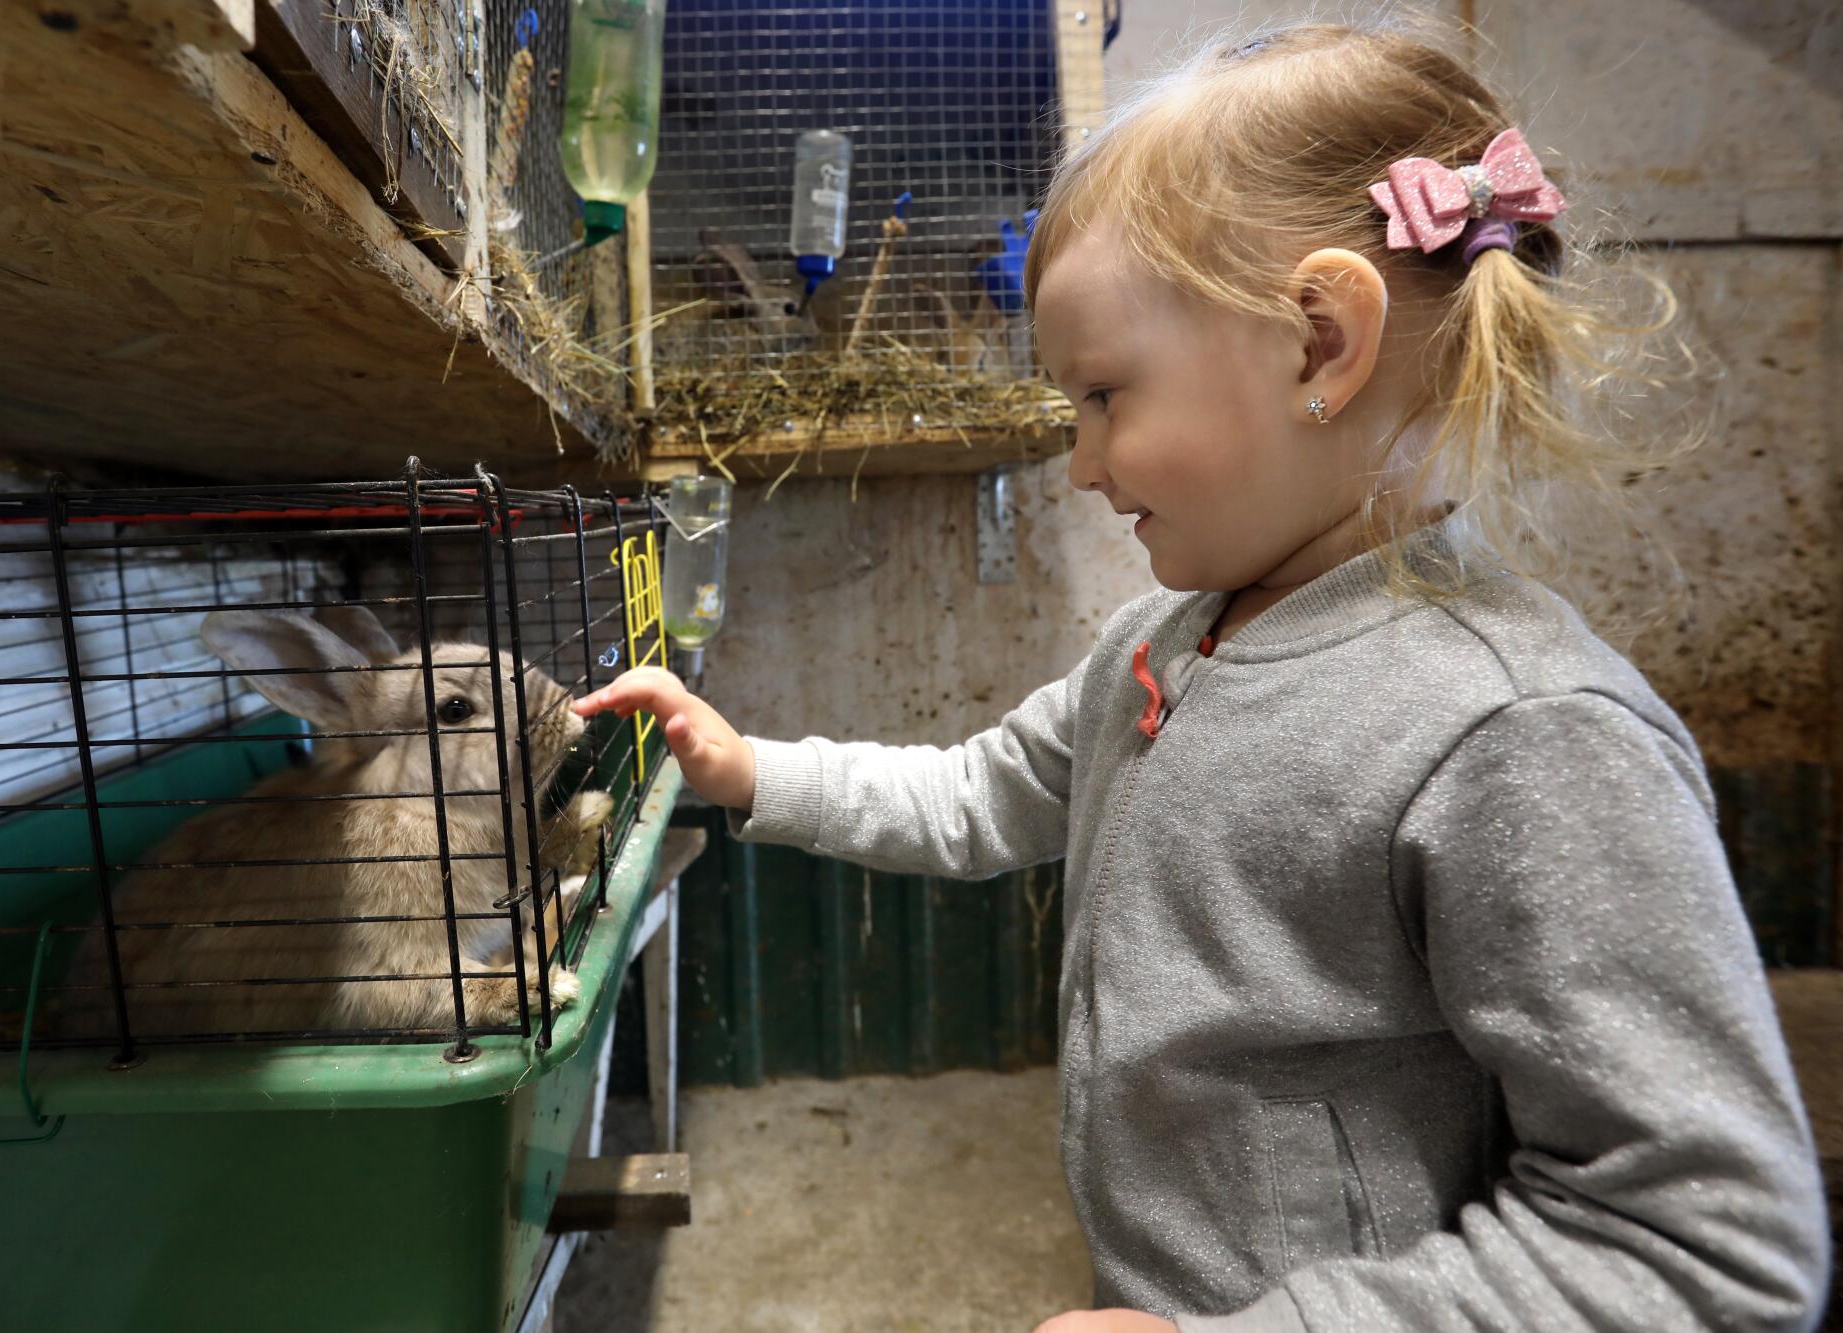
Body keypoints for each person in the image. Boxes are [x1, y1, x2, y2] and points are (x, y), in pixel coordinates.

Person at [577, 18, 1831, 1332]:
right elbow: (980, 793)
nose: (1081, 461)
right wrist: (750, 766)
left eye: (1107, 395)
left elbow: (1706, 1248)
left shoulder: (1522, 733)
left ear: (1319, 344)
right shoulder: (1170, 643)